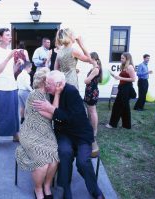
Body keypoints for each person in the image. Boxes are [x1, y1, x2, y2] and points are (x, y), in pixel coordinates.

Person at [33, 70, 104, 199]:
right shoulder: (50, 93)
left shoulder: (71, 91)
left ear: (59, 84)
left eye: (49, 83)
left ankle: (95, 190)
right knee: (65, 153)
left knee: (83, 162)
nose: (46, 85)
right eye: (46, 82)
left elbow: (71, 118)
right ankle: (65, 190)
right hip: (64, 133)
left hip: (81, 133)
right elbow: (54, 117)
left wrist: (52, 110)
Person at [16, 68, 60, 199]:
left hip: (46, 132)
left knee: (54, 157)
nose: (52, 83)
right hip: (31, 132)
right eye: (50, 81)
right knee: (42, 161)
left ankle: (47, 186)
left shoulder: (48, 95)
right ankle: (38, 189)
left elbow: (54, 113)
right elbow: (53, 115)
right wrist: (57, 95)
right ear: (44, 81)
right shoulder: (35, 95)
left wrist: (56, 94)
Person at [0, 28, 23, 151]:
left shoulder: (9, 51)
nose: (10, 37)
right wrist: (9, 58)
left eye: (10, 35)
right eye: (7, 35)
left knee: (13, 113)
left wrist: (16, 66)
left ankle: (15, 134)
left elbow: (9, 72)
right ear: (0, 37)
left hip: (12, 86)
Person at [106, 52, 136, 129]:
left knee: (117, 106)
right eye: (121, 58)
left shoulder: (130, 67)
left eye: (122, 58)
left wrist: (120, 78)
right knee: (125, 107)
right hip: (122, 88)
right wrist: (113, 75)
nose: (121, 59)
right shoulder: (123, 66)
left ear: (127, 59)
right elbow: (120, 77)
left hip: (126, 89)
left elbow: (133, 79)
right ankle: (126, 125)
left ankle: (112, 124)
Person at [83, 52, 103, 157]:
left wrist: (85, 79)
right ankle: (92, 127)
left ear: (93, 58)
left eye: (89, 57)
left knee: (92, 110)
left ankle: (94, 130)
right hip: (90, 91)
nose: (88, 59)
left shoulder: (96, 68)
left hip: (92, 91)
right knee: (90, 110)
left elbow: (87, 81)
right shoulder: (94, 67)